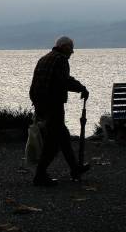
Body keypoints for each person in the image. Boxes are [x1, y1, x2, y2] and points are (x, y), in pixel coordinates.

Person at [29, 36, 90, 187]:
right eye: (71, 48)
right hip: (53, 105)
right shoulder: (61, 60)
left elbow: (35, 83)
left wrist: (37, 106)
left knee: (63, 137)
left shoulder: (44, 58)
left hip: (41, 105)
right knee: (53, 142)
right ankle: (40, 175)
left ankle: (75, 169)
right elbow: (64, 81)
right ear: (64, 47)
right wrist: (81, 88)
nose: (73, 52)